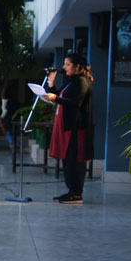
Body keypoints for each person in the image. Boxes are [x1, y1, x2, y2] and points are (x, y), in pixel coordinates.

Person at [42, 53, 94, 204]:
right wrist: (51, 82)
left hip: (76, 127)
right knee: (67, 159)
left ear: (77, 67)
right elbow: (59, 97)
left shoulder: (82, 81)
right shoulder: (71, 81)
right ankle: (71, 191)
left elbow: (74, 102)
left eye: (68, 64)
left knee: (74, 159)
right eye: (64, 64)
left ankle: (76, 193)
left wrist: (54, 98)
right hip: (67, 126)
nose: (64, 67)